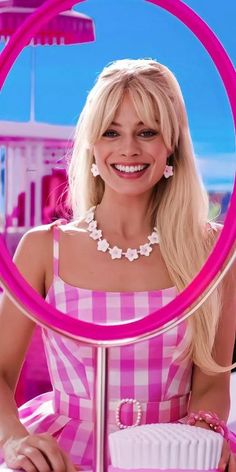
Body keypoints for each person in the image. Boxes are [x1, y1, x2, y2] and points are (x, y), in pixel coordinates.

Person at [0, 59, 235, 472]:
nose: (129, 148)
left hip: (172, 456)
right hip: (64, 457)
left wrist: (203, 435)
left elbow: (213, 382)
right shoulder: (42, 249)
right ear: (93, 144)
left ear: (171, 146)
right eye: (112, 132)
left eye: (147, 132)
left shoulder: (213, 252)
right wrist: (16, 441)